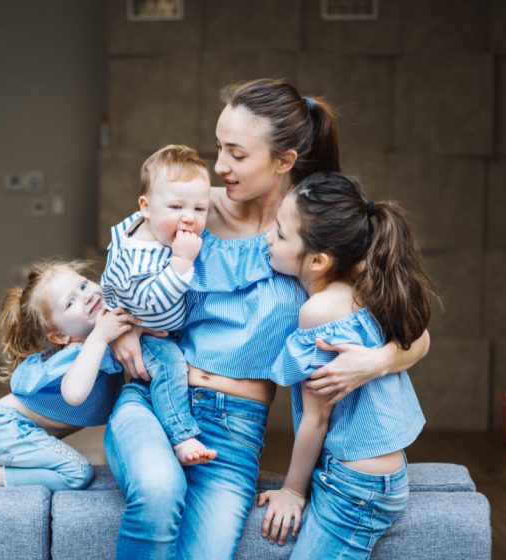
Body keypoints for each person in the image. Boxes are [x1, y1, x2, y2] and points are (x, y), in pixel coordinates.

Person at [104, 78, 431, 559]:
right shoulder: (188, 207)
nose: (219, 166)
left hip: (232, 433)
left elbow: (412, 333)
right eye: (218, 148)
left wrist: (374, 363)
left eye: (236, 154)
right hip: (155, 397)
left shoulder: (308, 235)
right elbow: (116, 283)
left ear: (285, 161)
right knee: (156, 491)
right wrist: (125, 324)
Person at [258, 171, 435, 557]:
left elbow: (315, 419)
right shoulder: (368, 288)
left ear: (319, 260)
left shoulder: (319, 311)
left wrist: (292, 490)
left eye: (281, 234)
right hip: (379, 471)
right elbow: (420, 337)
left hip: (356, 485)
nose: (268, 238)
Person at [0, 260, 132, 490]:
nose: (86, 296)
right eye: (70, 302)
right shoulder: (77, 353)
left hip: (0, 428)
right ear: (60, 337)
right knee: (77, 473)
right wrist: (99, 337)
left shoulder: (100, 343)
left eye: (83, 285)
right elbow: (75, 393)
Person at [101, 144, 216, 465]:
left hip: (159, 326)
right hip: (146, 329)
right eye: (177, 206)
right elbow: (151, 306)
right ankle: (181, 436)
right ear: (146, 207)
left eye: (199, 209)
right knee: (171, 366)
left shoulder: (147, 225)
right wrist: (181, 262)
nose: (189, 219)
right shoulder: (139, 255)